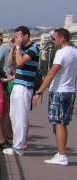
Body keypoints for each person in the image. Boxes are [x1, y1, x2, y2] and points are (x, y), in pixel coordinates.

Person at [33, 28, 76, 166]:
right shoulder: (75, 52)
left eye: (54, 38)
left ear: (62, 38)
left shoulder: (61, 53)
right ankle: (60, 152)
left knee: (59, 124)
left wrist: (39, 92)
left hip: (59, 91)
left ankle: (62, 156)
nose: (53, 41)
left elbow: (52, 73)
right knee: (62, 123)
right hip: (70, 91)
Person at [4, 26, 41, 156]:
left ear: (26, 36)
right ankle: (18, 144)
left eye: (19, 36)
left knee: (20, 117)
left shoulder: (33, 49)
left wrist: (18, 47)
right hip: (18, 85)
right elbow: (10, 64)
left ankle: (18, 147)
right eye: (16, 36)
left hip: (25, 87)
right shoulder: (22, 50)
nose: (17, 38)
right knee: (13, 116)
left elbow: (19, 63)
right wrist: (13, 48)